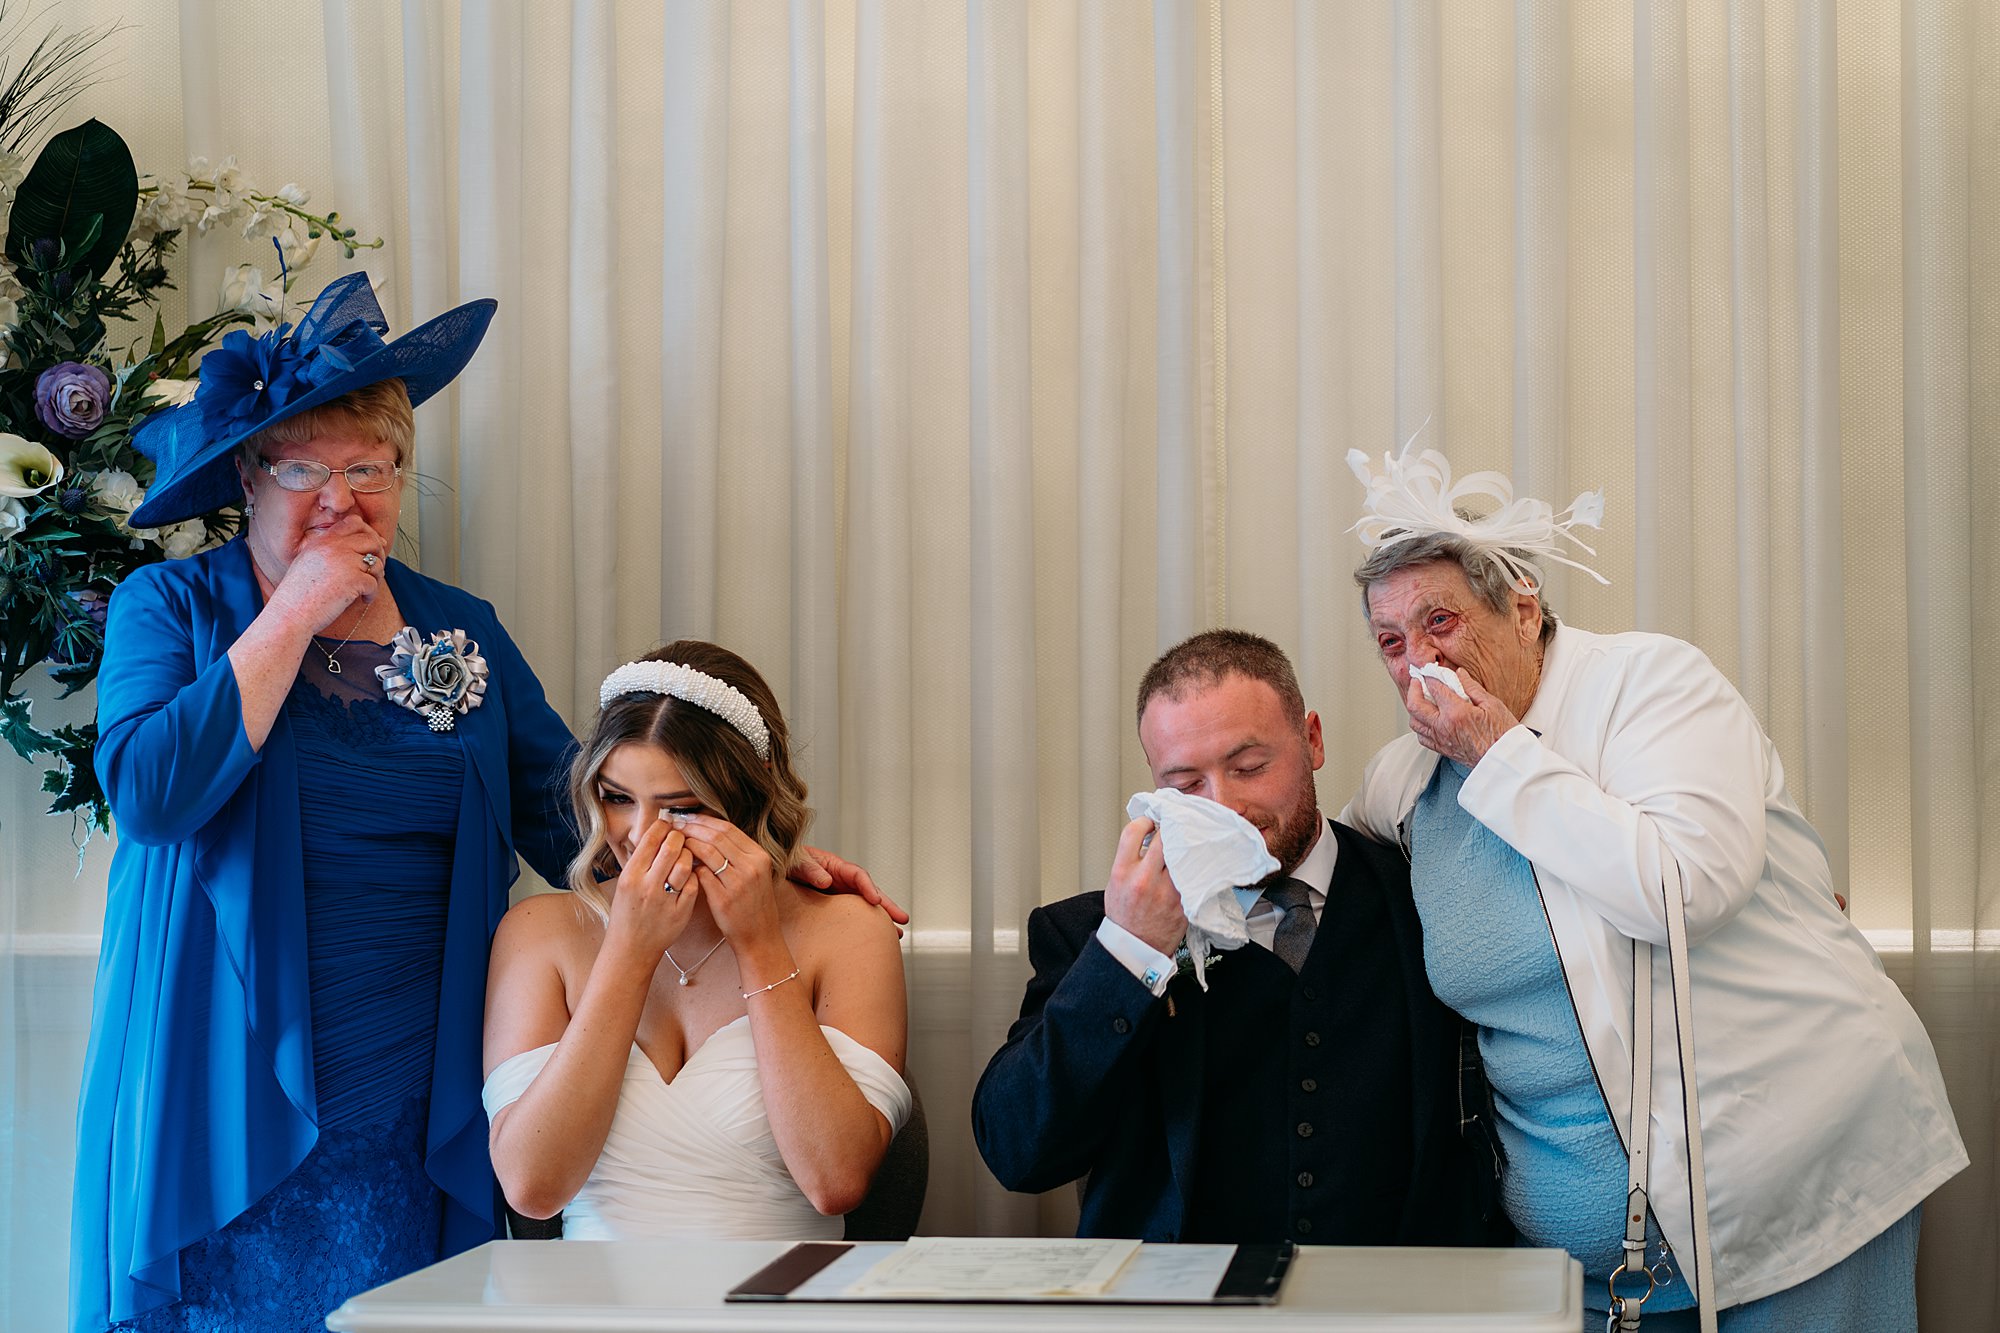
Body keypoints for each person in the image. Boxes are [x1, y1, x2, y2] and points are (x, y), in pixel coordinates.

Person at [70, 278, 898, 1333]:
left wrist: (767, 868)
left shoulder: (461, 630)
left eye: (368, 468)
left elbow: (576, 821)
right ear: (246, 477)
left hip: (420, 1075)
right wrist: (297, 612)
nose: (341, 498)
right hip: (226, 1063)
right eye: (303, 470)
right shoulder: (171, 607)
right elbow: (147, 794)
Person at [1339, 448, 1966, 1331]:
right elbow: (1332, 890)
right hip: (1587, 1267)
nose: (1418, 661)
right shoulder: (1403, 786)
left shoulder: (1651, 684)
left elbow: (1681, 892)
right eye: (1392, 642)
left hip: (1793, 1201)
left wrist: (1495, 751)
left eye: (1441, 620)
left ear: (1522, 608)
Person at [972, 629, 1506, 1247]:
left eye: (1249, 767)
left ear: (1312, 740)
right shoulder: (1085, 936)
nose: (1226, 806)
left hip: (1397, 1303)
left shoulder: (1427, 895)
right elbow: (1018, 1155)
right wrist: (1128, 952)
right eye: (1186, 785)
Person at [481, 641, 910, 1240]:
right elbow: (532, 1188)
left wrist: (759, 943)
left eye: (680, 808)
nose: (639, 835)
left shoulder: (847, 929)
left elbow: (836, 1180)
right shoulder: (539, 933)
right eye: (616, 798)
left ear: (750, 791)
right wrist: (629, 953)